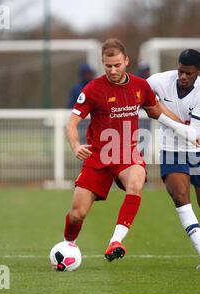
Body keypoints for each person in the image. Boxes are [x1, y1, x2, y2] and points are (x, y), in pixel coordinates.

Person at [61, 38, 191, 262]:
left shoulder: (141, 87)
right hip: (98, 157)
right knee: (77, 214)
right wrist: (75, 145)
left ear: (126, 61)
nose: (112, 70)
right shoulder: (93, 89)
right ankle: (67, 245)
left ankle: (116, 241)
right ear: (103, 64)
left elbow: (156, 109)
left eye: (117, 65)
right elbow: (71, 122)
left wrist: (183, 126)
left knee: (136, 180)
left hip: (127, 155)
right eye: (108, 66)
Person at [147, 49, 200, 270]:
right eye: (180, 71)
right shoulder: (159, 81)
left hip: (199, 150)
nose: (183, 77)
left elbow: (193, 134)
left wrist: (160, 114)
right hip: (170, 149)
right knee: (179, 195)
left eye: (189, 73)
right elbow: (137, 90)